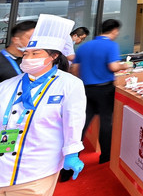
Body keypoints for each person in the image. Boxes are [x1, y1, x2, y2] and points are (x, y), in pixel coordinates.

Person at [0, 14, 86, 194]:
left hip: (38, 169)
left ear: (54, 56)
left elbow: (73, 120)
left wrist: (72, 151)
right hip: (3, 165)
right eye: (26, 54)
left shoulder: (69, 84)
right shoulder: (6, 86)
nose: (28, 58)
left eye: (35, 53)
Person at [72, 19, 131, 164]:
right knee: (106, 123)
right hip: (104, 89)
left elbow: (74, 70)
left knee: (82, 125)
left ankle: (71, 159)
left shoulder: (85, 46)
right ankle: (105, 157)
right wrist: (124, 65)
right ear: (115, 30)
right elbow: (112, 66)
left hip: (86, 89)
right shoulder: (111, 45)